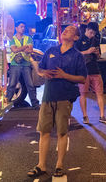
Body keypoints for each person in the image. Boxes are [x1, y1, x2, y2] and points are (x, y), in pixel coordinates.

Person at [27, 25, 87, 178]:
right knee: (44, 131)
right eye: (64, 29)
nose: (65, 31)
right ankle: (41, 165)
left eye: (70, 30)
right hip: (48, 96)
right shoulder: (51, 51)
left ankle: (59, 165)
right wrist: (43, 72)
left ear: (76, 37)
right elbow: (40, 70)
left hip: (64, 97)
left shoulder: (77, 56)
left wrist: (64, 75)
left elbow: (82, 78)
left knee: (62, 132)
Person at [75, 22, 106, 124]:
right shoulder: (79, 40)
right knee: (83, 94)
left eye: (94, 33)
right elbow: (75, 55)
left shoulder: (95, 40)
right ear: (87, 29)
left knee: (100, 93)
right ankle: (85, 116)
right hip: (83, 71)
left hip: (95, 70)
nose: (92, 35)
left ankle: (102, 116)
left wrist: (97, 53)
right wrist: (87, 51)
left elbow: (99, 56)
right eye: (91, 32)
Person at [6, 21, 39, 108]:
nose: (23, 28)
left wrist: (19, 49)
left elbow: (30, 50)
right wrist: (24, 47)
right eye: (21, 27)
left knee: (30, 85)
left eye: (24, 27)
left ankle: (35, 104)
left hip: (26, 64)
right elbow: (14, 50)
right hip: (15, 64)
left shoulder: (28, 38)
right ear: (16, 28)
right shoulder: (12, 39)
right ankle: (6, 103)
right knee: (12, 84)